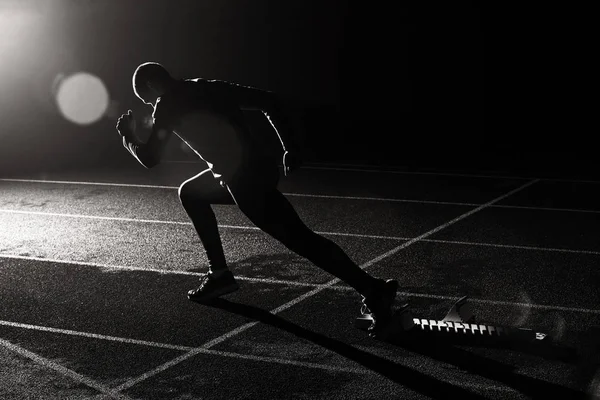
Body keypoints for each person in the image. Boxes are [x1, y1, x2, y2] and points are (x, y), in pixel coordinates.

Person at [116, 62, 398, 337]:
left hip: (244, 181)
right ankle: (219, 274)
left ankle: (372, 290)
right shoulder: (208, 86)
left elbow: (150, 158)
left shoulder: (166, 104)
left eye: (146, 99)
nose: (149, 106)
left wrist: (129, 137)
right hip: (259, 167)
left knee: (301, 239)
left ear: (152, 86)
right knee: (190, 192)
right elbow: (269, 101)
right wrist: (290, 147)